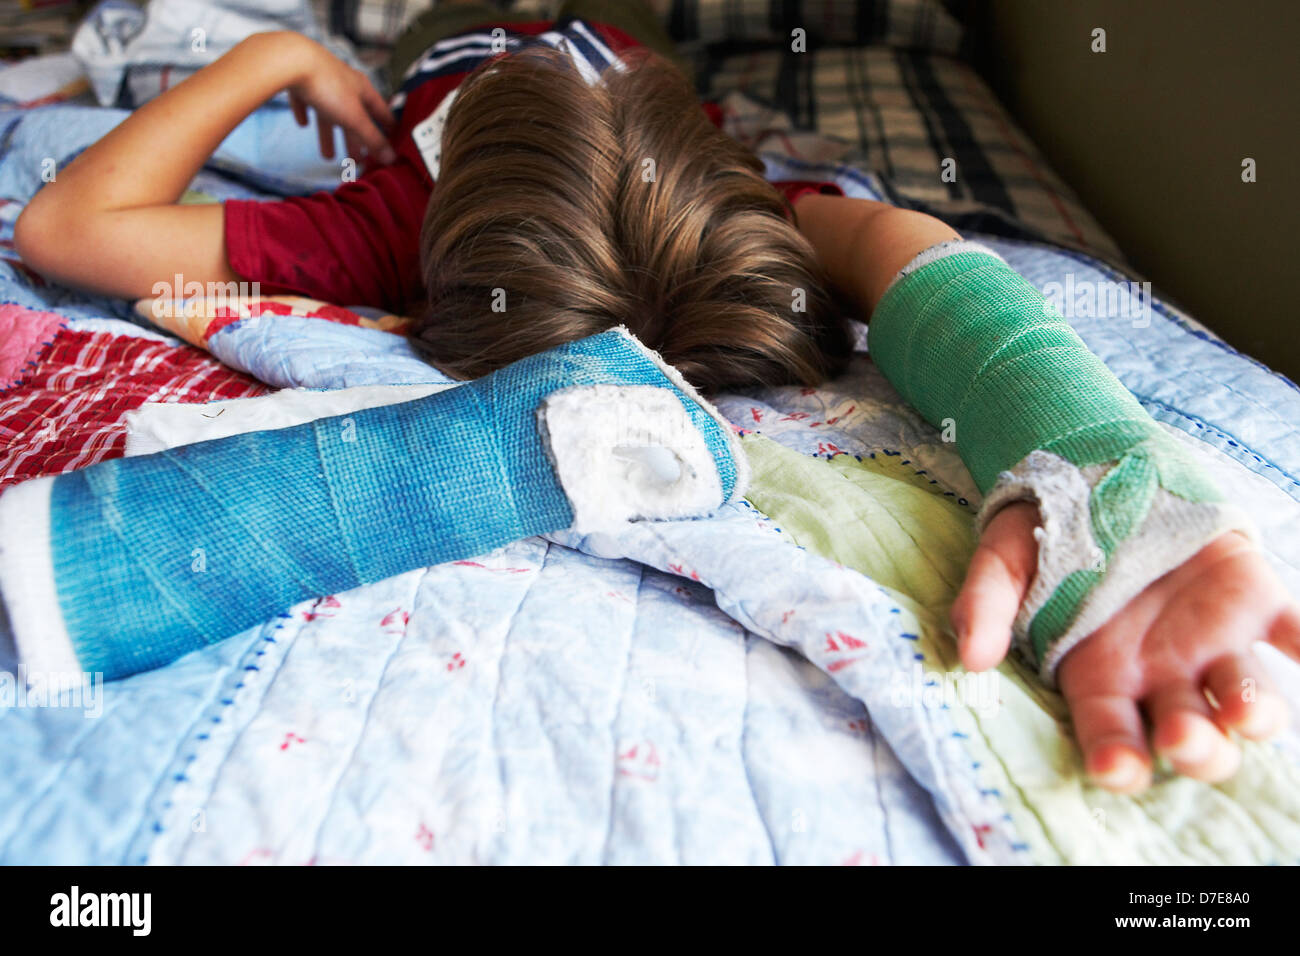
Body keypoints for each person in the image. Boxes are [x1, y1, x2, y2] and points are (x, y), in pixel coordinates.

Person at [14, 0, 1299, 794]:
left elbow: (900, 245)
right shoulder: (390, 216)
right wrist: (280, 51)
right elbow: (60, 230)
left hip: (634, 49)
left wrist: (1081, 453)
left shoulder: (708, 216)